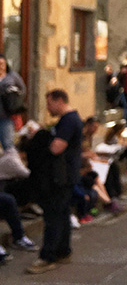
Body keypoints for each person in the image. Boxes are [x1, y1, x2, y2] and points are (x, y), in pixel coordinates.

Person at [26, 89, 83, 275]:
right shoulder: (71, 119)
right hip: (67, 175)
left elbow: (57, 147)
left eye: (49, 103)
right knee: (63, 214)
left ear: (59, 101)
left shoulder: (68, 121)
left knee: (53, 216)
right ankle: (63, 250)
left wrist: (40, 138)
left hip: (60, 176)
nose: (48, 108)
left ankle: (47, 256)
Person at [0, 55, 26, 151]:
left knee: (7, 144)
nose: (0, 66)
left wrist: (16, 102)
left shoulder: (12, 76)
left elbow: (22, 90)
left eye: (2, 64)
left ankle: (11, 164)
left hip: (7, 116)